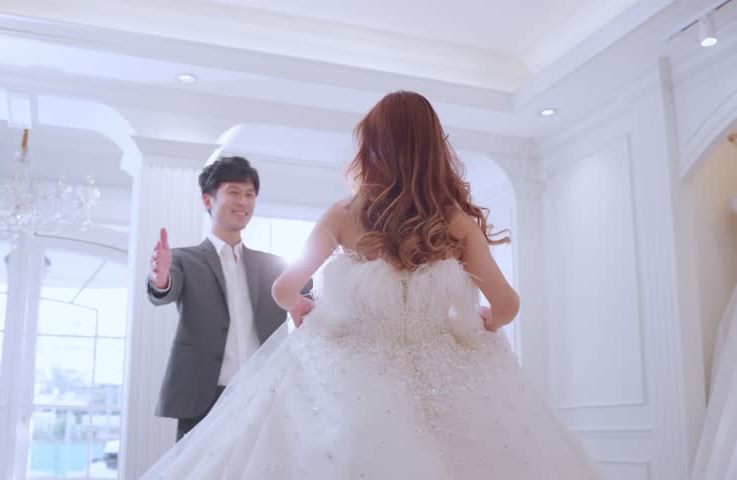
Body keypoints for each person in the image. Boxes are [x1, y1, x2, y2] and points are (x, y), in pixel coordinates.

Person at [142, 92, 603, 478]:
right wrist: (483, 320)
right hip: (451, 377)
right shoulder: (456, 223)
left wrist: (302, 309)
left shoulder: (344, 216)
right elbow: (506, 305)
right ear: (433, 149)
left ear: (371, 147)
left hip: (354, 374)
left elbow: (285, 289)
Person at [147, 156, 311, 441]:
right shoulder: (184, 259)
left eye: (250, 194)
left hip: (262, 392)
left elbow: (313, 294)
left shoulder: (272, 265)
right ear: (208, 200)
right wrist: (160, 278)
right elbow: (165, 289)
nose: (244, 201)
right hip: (202, 397)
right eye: (234, 192)